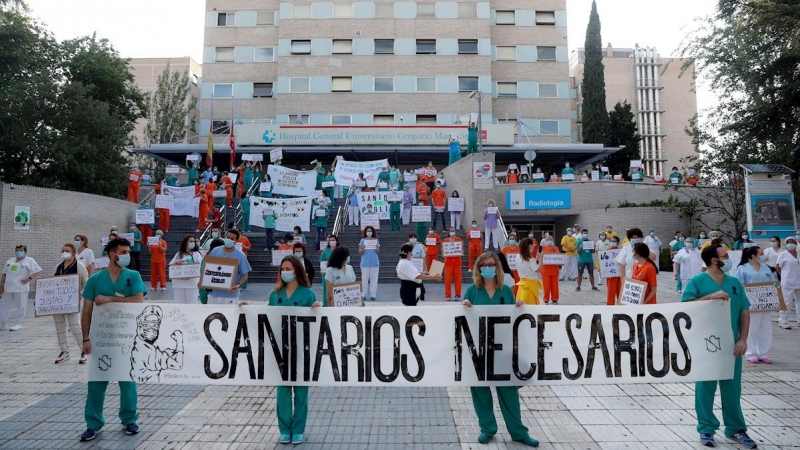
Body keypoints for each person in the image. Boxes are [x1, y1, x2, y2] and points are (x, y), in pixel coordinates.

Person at [461, 252, 540, 447]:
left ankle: (518, 432)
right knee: (480, 391)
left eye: (491, 264)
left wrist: (519, 307)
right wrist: (463, 306)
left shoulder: (505, 291)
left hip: (503, 350)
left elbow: (513, 316)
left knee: (509, 392)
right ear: (479, 268)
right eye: (484, 265)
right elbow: (462, 318)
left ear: (497, 267)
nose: (488, 268)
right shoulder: (472, 291)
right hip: (479, 350)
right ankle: (487, 429)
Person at [681, 245, 756, 449]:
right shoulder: (697, 282)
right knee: (705, 388)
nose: (728, 258)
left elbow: (744, 312)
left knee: (732, 389)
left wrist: (743, 339)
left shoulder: (734, 283)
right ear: (714, 260)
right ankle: (706, 428)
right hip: (705, 344)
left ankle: (736, 428)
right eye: (725, 256)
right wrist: (709, 298)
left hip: (732, 345)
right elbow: (684, 309)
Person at [79, 238, 145, 441]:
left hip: (126, 339)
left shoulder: (132, 276)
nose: (127, 255)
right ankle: (93, 423)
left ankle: (129, 419)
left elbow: (138, 300)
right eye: (123, 252)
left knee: (127, 381)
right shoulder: (95, 280)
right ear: (112, 255)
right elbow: (87, 310)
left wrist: (109, 299)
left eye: (128, 252)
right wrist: (85, 339)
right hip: (101, 340)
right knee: (97, 382)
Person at [268, 255, 320, 445]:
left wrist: (317, 309)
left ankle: (298, 429)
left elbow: (316, 323)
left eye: (288, 269)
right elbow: (265, 319)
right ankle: (284, 429)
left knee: (300, 393)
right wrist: (245, 309)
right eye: (283, 269)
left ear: (297, 270)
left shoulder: (308, 294)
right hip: (281, 350)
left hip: (301, 350)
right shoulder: (275, 294)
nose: (285, 272)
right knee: (282, 393)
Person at [736, 246, 776, 364]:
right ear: (753, 255)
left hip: (765, 302)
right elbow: (739, 285)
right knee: (752, 327)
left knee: (765, 328)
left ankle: (763, 353)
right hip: (750, 303)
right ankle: (750, 352)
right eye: (761, 253)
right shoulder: (742, 268)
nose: (763, 255)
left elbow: (773, 283)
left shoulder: (766, 268)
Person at [52, 242, 89, 364]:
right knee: (59, 326)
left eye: (67, 250)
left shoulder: (79, 266)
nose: (64, 253)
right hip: (58, 302)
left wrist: (80, 294)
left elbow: (86, 282)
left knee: (74, 326)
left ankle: (84, 350)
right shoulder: (58, 266)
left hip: (73, 301)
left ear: (73, 252)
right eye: (63, 251)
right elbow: (52, 283)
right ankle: (64, 352)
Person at [0, 244, 42, 331]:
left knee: (20, 306)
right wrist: (2, 285)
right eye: (17, 250)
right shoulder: (10, 260)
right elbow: (4, 274)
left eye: (21, 250)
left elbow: (38, 271)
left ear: (25, 252)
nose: (18, 252)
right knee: (4, 305)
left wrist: (29, 279)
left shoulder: (29, 260)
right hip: (8, 287)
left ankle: (18, 323)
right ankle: (2, 323)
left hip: (21, 287)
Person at [206, 229, 252, 304]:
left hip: (230, 294)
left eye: (232, 239)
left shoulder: (240, 255)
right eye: (228, 237)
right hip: (214, 294)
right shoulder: (215, 251)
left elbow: (245, 274)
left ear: (236, 241)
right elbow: (208, 268)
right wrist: (204, 281)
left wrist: (238, 285)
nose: (229, 240)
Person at [168, 236, 203, 304]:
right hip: (178, 284)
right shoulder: (178, 254)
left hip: (192, 284)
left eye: (194, 242)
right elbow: (171, 265)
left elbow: (201, 267)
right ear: (185, 243)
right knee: (179, 304)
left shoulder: (196, 254)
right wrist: (176, 263)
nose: (193, 243)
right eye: (191, 241)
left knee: (191, 305)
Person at [776, 237, 800, 329]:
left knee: (799, 302)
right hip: (788, 282)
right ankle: (783, 321)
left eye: (792, 242)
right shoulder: (783, 254)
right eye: (788, 242)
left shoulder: (799, 254)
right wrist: (784, 275)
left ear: (796, 243)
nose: (790, 244)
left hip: (798, 281)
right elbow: (777, 266)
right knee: (786, 302)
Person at [516, 238, 541, 304]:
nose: (533, 246)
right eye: (532, 245)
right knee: (531, 307)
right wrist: (542, 260)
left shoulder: (518, 256)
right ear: (529, 246)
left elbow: (528, 267)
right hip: (531, 285)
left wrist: (536, 259)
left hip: (522, 284)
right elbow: (537, 269)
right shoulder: (530, 259)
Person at [359, 226, 380, 301]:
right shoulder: (362, 241)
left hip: (374, 262)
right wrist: (363, 248)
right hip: (365, 263)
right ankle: (364, 294)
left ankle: (373, 294)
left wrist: (376, 247)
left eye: (370, 231)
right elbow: (360, 252)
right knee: (364, 279)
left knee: (374, 279)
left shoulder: (376, 240)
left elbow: (378, 252)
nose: (369, 232)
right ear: (365, 232)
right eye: (368, 231)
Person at [442, 226, 463, 301]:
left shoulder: (459, 240)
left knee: (458, 279)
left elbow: (461, 249)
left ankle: (457, 294)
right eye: (451, 230)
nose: (452, 232)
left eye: (453, 230)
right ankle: (448, 295)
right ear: (449, 232)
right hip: (448, 263)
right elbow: (444, 250)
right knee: (447, 280)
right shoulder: (446, 240)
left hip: (457, 262)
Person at [539, 235, 561, 304]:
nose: (549, 241)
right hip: (545, 271)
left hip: (554, 271)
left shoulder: (556, 248)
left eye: (551, 239)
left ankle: (555, 299)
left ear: (553, 241)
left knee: (555, 286)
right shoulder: (542, 249)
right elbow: (539, 259)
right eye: (548, 239)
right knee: (546, 286)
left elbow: (559, 258)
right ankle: (546, 299)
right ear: (545, 241)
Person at [604, 236, 622, 305]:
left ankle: (620, 309)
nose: (612, 242)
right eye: (611, 241)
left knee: (620, 293)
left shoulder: (621, 251)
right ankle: (610, 309)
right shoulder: (607, 251)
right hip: (611, 277)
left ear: (617, 243)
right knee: (611, 293)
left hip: (620, 276)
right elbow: (604, 264)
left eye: (614, 241)